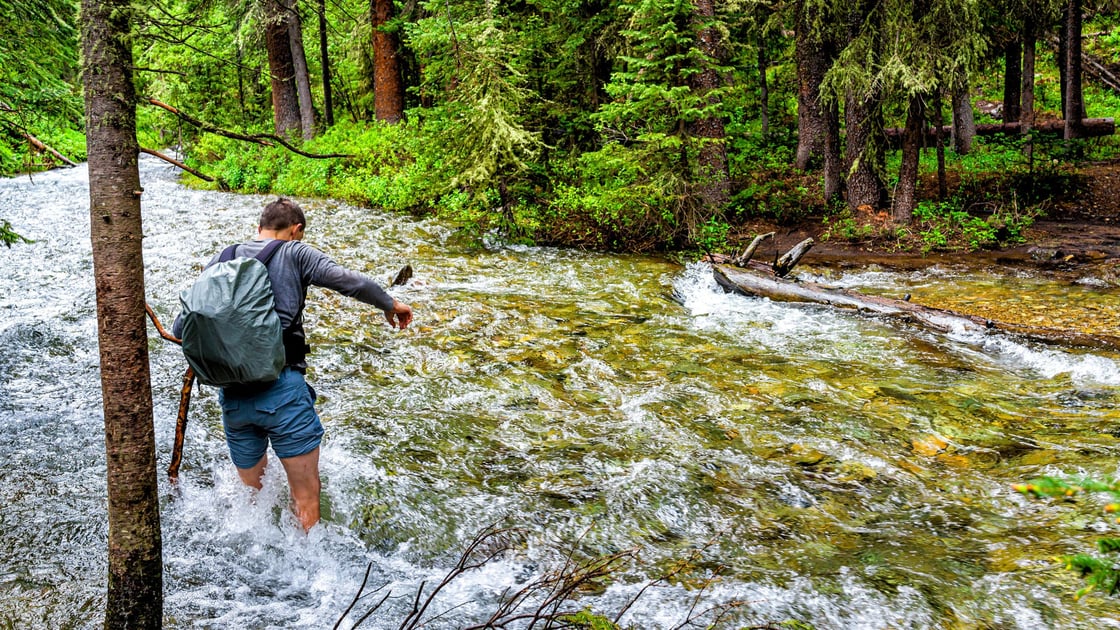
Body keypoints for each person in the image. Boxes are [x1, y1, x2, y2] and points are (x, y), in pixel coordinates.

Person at [175, 198, 413, 531]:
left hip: (233, 400)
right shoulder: (296, 253)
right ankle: (306, 570)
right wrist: (391, 303)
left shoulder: (222, 258)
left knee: (250, 502)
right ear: (296, 229)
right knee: (305, 499)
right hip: (282, 391)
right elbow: (352, 282)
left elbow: (180, 327)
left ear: (259, 228)